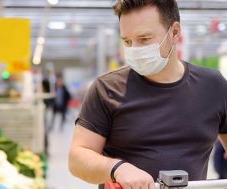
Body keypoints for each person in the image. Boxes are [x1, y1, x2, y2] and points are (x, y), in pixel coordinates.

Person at [68, 1, 227, 189]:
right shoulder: (107, 89)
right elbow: (77, 158)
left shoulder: (213, 86)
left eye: (144, 38)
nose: (134, 49)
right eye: (127, 41)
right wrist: (117, 168)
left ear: (175, 32)